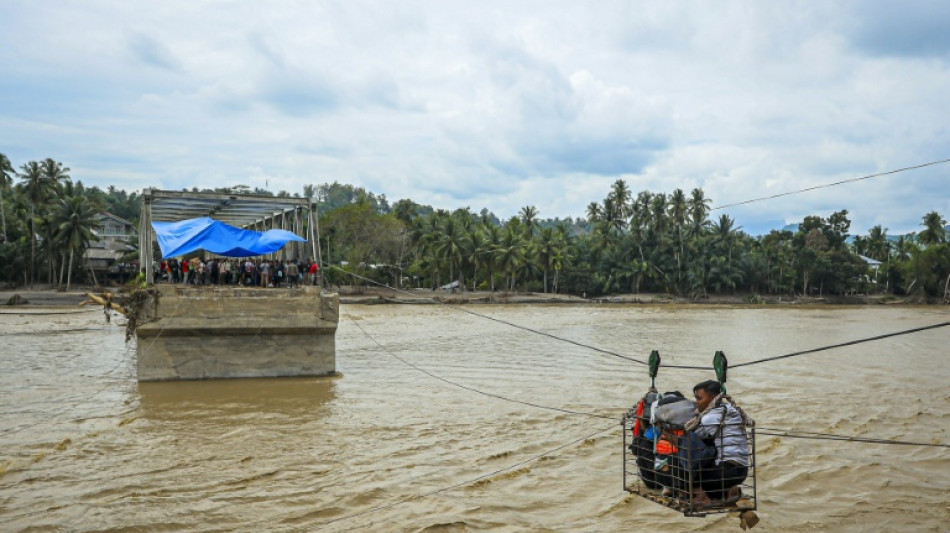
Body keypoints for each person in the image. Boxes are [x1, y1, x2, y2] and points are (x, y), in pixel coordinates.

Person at [688, 380, 750, 506]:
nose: (696, 402)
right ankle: (730, 490)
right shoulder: (732, 409)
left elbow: (695, 435)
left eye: (699, 398)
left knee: (688, 474)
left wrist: (697, 416)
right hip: (742, 471)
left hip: (725, 472)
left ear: (713, 398)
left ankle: (702, 498)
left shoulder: (708, 418)